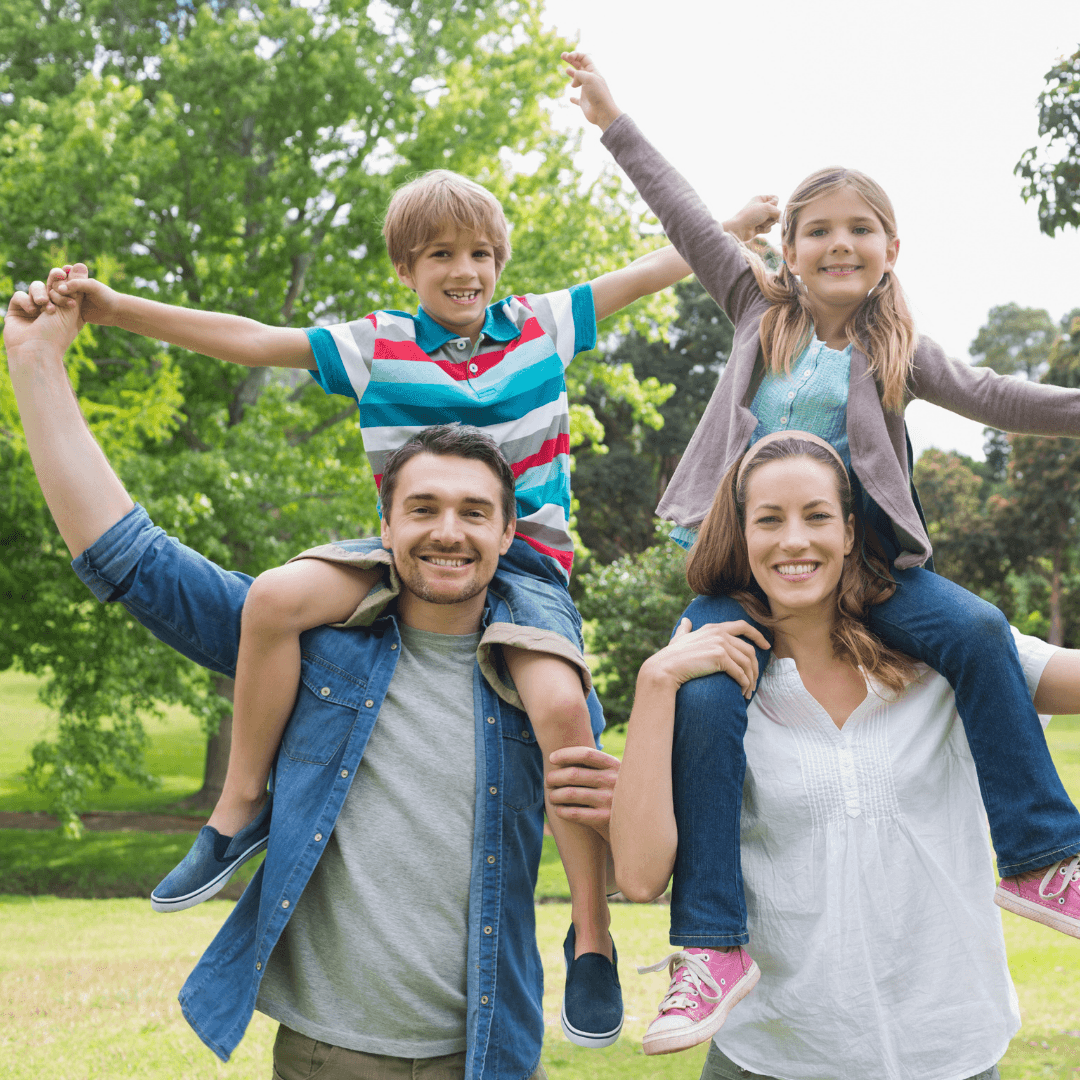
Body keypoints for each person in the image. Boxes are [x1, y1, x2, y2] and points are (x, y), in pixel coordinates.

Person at [42, 171, 775, 1049]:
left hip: (530, 570)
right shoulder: (374, 346)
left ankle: (591, 933)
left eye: (478, 255)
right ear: (405, 268)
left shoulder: (543, 326)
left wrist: (725, 229)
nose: (463, 271)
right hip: (400, 562)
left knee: (558, 708)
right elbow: (250, 340)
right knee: (274, 596)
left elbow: (650, 270)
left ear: (500, 262)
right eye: (440, 256)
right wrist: (117, 309)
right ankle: (238, 808)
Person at [562, 51, 1080, 1050]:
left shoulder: (900, 353)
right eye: (818, 230)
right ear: (787, 249)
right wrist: (615, 119)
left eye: (859, 229)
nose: (839, 244)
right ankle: (711, 947)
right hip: (739, 569)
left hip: (869, 568)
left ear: (891, 247)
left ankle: (1037, 853)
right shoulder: (760, 313)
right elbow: (683, 218)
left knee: (973, 630)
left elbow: (1004, 399)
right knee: (707, 694)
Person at [4, 270, 622, 1078]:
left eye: (474, 512)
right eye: (423, 508)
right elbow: (130, 559)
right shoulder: (314, 649)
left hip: (483, 1054)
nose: (448, 532)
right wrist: (34, 362)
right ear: (384, 525)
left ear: (511, 534)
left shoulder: (549, 687)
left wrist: (668, 694)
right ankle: (236, 812)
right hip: (325, 1058)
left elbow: (640, 855)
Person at [611, 432, 1080, 1077]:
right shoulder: (702, 684)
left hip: (946, 1050)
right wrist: (654, 683)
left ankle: (1041, 870)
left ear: (852, 530)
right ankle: (714, 957)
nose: (794, 541)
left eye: (817, 517)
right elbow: (638, 879)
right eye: (769, 520)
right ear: (741, 536)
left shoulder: (950, 652)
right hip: (772, 1054)